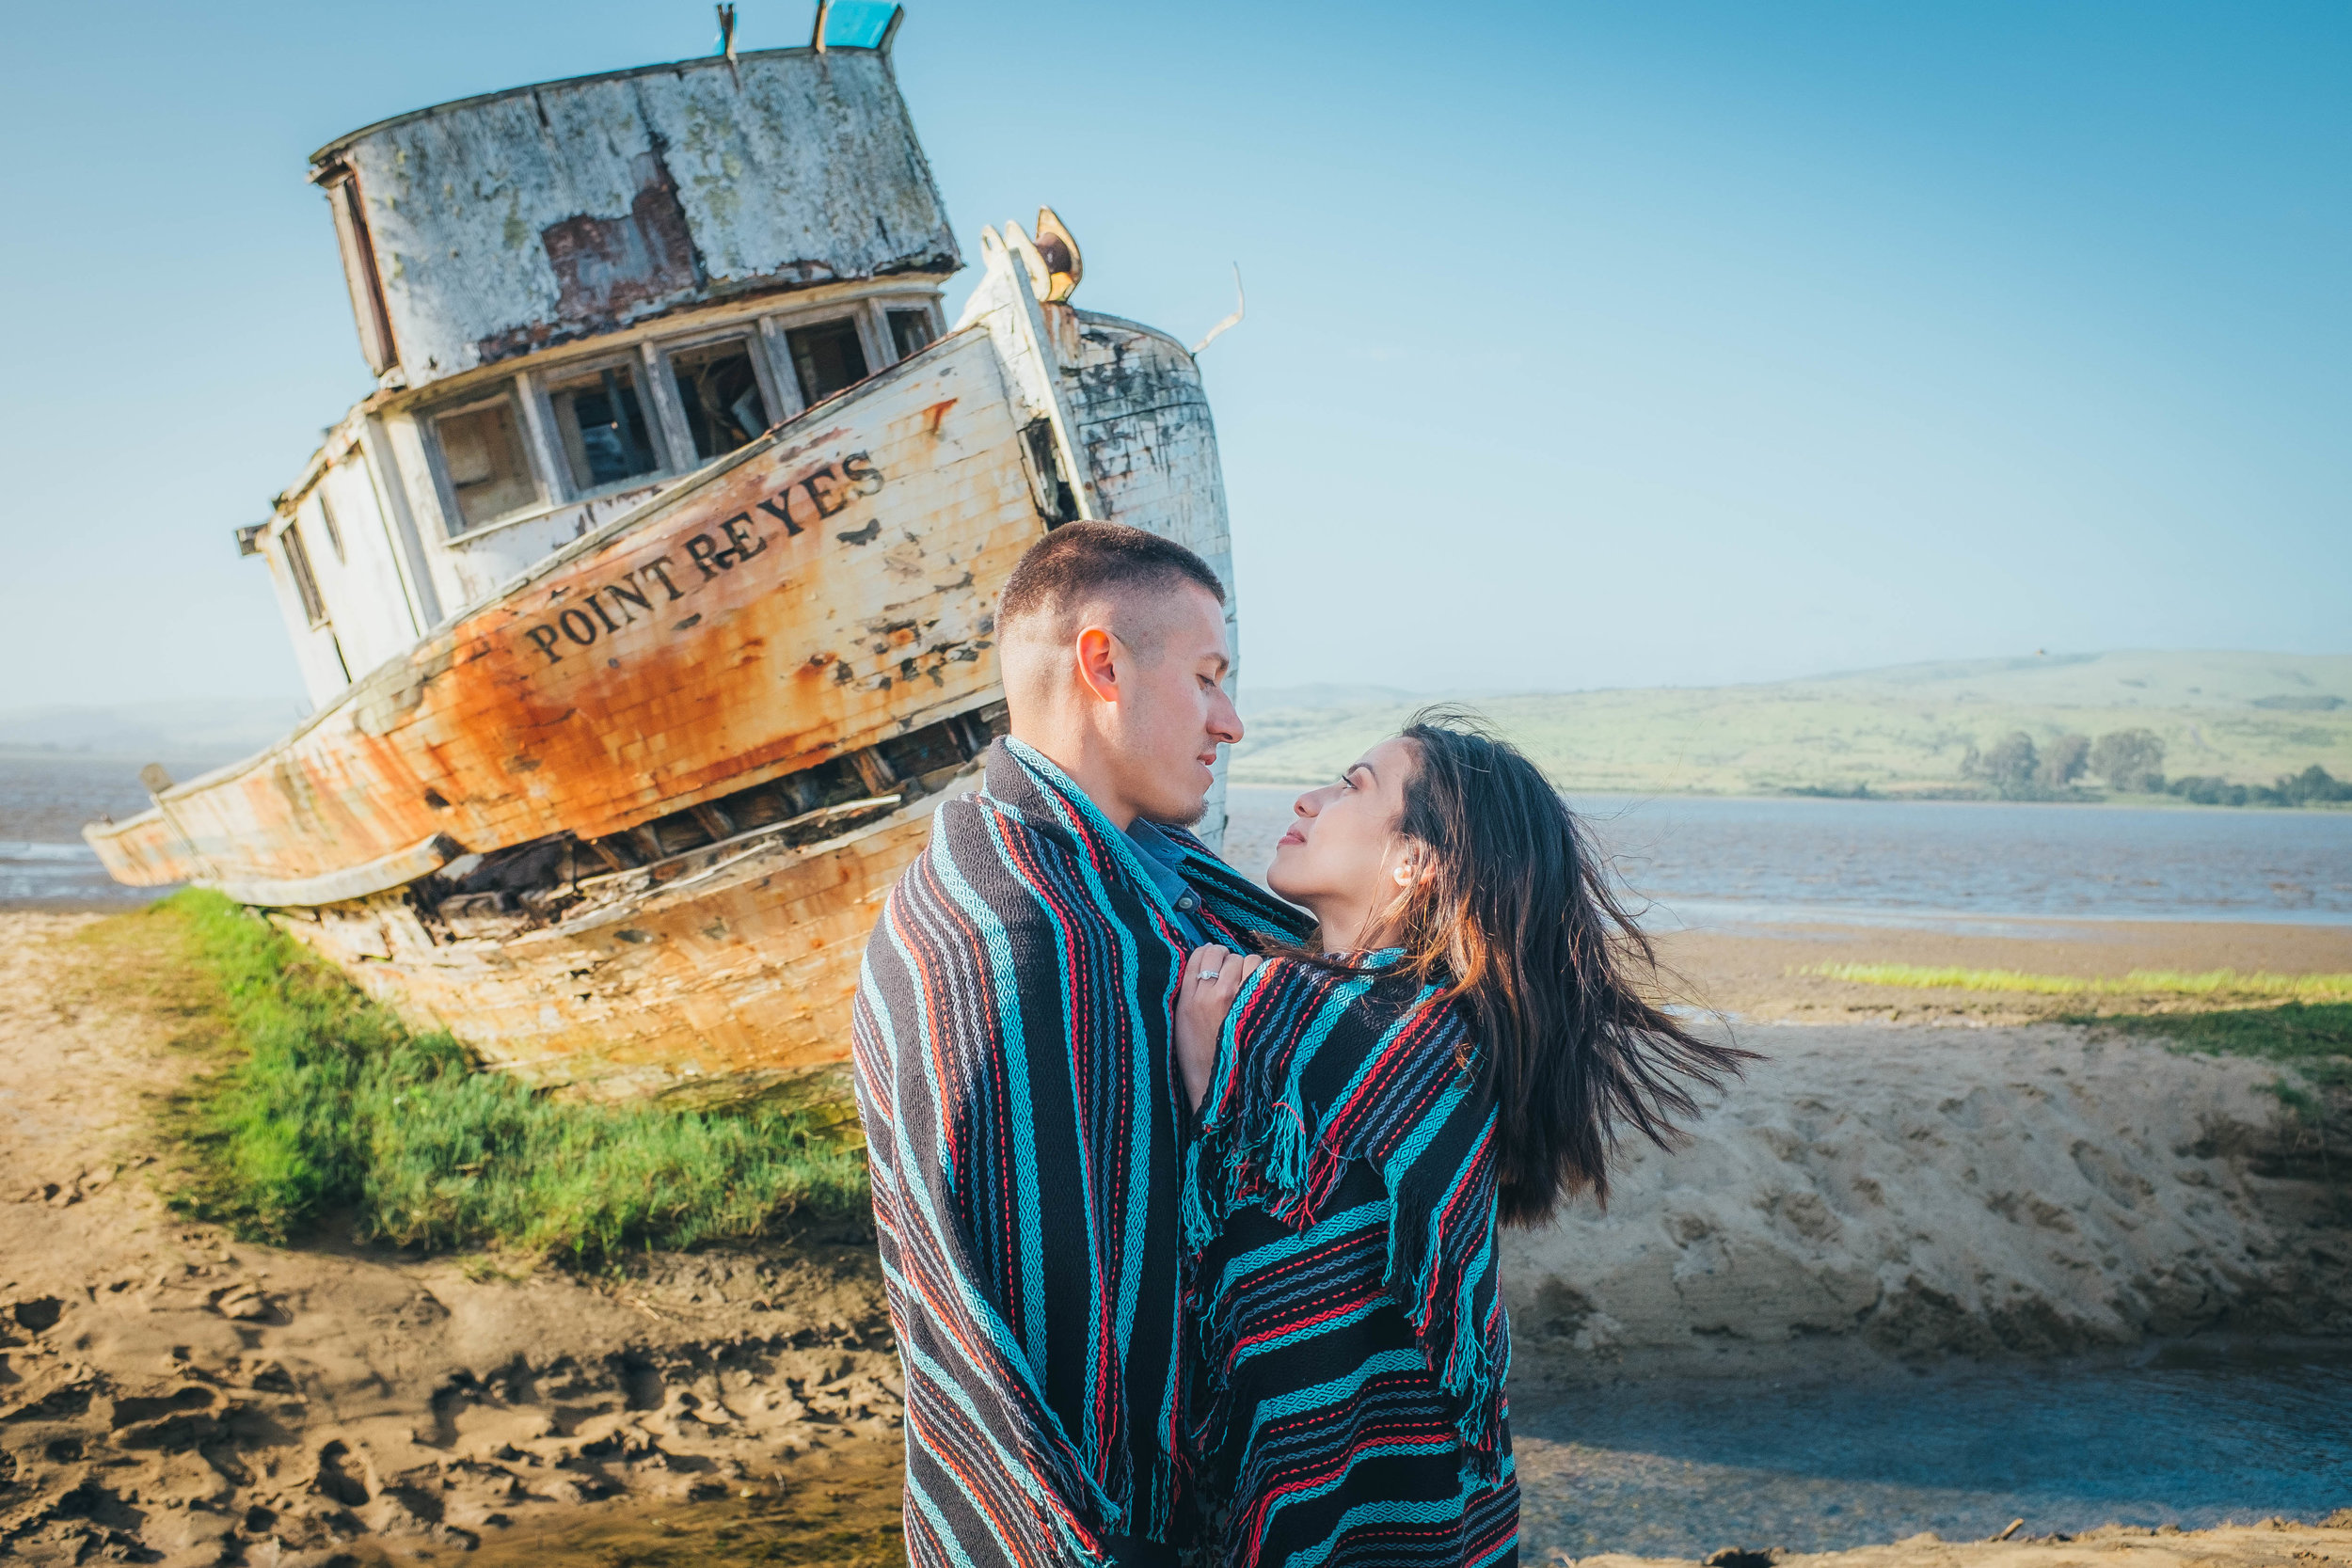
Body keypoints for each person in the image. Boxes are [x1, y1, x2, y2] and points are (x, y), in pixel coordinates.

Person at [1173, 712, 1752, 1567]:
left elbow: (1245, 1279)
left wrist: (1203, 1086)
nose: (1308, 797)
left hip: (1315, 1506)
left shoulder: (1308, 1030)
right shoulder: (1454, 1033)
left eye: (1352, 785)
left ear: (1415, 860)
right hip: (1442, 1513)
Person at [851, 522, 1312, 1567]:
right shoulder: (1022, 941)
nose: (1229, 720)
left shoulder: (1127, 888)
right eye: (1206, 678)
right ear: (1102, 663)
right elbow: (1056, 1359)